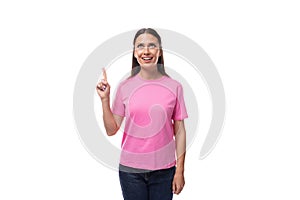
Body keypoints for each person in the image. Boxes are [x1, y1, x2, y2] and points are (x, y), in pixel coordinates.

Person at [96, 28, 188, 200]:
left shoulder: (175, 87)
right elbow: (111, 130)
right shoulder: (125, 87)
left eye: (152, 45)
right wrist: (104, 99)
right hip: (131, 172)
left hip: (164, 170)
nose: (146, 51)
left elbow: (180, 131)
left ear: (159, 52)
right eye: (140, 46)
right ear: (135, 53)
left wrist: (180, 170)